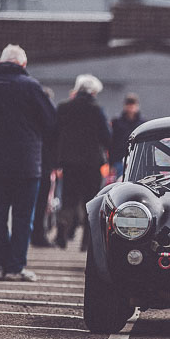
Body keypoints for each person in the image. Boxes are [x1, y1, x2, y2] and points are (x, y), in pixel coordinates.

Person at [0, 44, 56, 281]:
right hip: (27, 163)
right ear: (23, 64)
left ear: (1, 61)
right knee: (22, 217)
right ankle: (15, 267)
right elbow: (50, 121)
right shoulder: (32, 87)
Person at [55, 74, 110, 250]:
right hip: (91, 163)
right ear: (93, 92)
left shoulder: (64, 107)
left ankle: (62, 226)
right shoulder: (96, 109)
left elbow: (54, 133)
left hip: (69, 163)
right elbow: (106, 136)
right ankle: (86, 242)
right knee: (90, 202)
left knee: (68, 200)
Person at [31, 86, 58, 248]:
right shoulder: (50, 118)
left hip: (32, 163)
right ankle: (38, 234)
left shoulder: (30, 117)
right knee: (41, 202)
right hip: (44, 164)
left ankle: (32, 234)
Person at [110, 93, 143, 180]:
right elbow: (112, 142)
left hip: (136, 158)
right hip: (120, 157)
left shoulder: (142, 123)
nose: (130, 108)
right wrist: (111, 161)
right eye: (129, 105)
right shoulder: (117, 122)